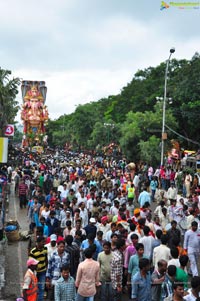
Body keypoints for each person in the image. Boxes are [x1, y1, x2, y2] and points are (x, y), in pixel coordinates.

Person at [29, 236, 48, 301]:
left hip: (43, 271)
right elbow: (31, 264)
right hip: (35, 273)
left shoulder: (45, 249)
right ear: (38, 243)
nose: (44, 243)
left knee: (42, 288)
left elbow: (46, 259)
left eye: (44, 242)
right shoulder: (33, 252)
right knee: (35, 288)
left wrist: (46, 267)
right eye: (43, 242)